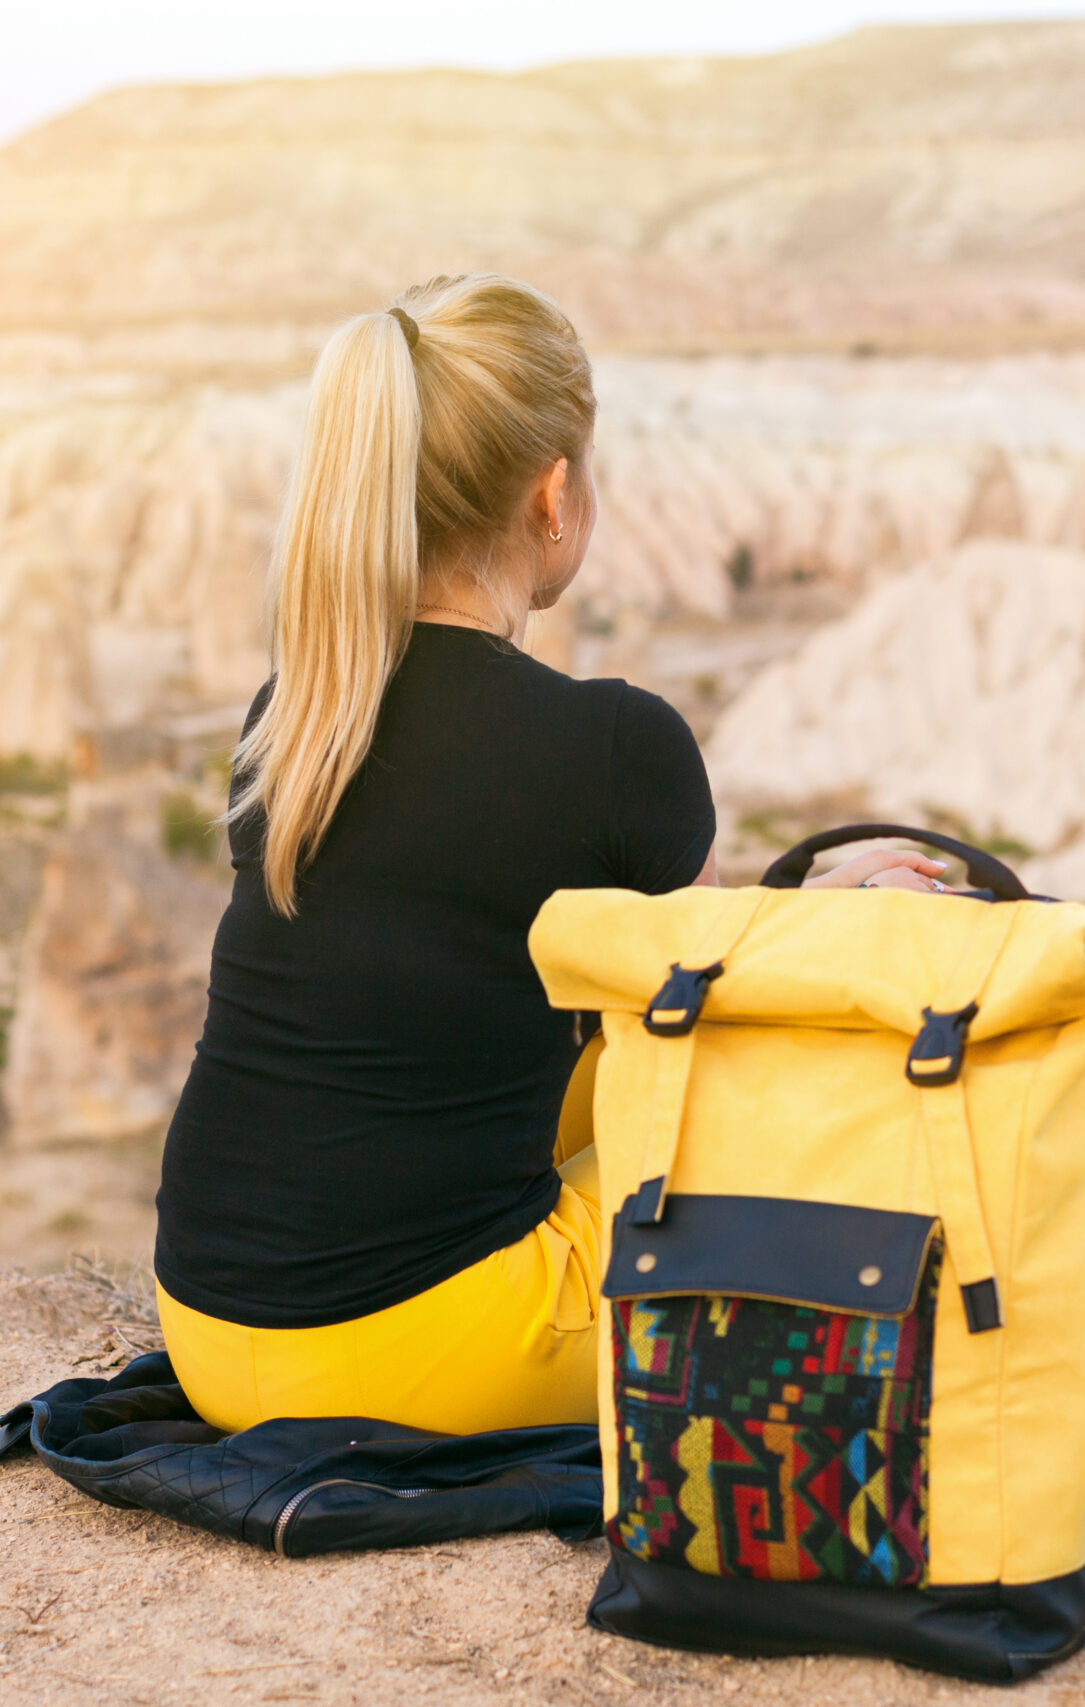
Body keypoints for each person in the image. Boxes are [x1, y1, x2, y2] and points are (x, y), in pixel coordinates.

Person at [153, 274, 945, 1437]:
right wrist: (840, 917)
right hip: (409, 1358)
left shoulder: (298, 715)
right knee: (770, 1113)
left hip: (211, 1331)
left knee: (581, 1064)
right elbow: (713, 1034)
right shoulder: (617, 745)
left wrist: (783, 905)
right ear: (555, 493)